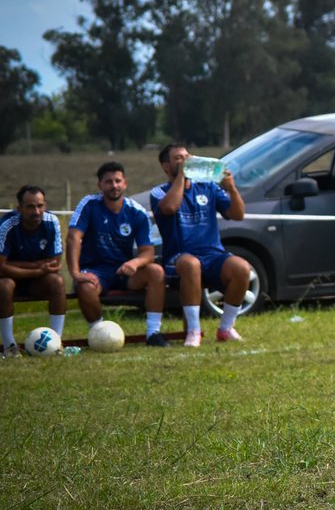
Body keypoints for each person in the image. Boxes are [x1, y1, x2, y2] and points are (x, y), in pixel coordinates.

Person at [150, 143, 252, 346]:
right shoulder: (159, 192)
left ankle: (226, 328)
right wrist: (182, 175)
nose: (185, 161)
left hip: (212, 256)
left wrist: (232, 189)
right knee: (191, 264)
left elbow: (238, 215)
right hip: (178, 258)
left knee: (242, 267)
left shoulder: (208, 187)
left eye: (187, 156)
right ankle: (194, 331)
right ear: (166, 166)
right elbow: (170, 208)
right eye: (178, 158)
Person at [66, 161, 169, 346]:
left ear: (125, 183)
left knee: (156, 271)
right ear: (100, 185)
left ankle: (153, 334)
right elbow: (73, 238)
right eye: (108, 182)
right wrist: (75, 273)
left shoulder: (136, 212)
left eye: (117, 181)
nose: (114, 186)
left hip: (123, 271)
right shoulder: (89, 204)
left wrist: (134, 263)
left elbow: (148, 253)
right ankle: (100, 334)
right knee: (85, 287)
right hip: (95, 270)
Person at [0, 185, 68, 356]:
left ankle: (56, 344)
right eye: (30, 207)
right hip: (11, 280)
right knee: (4, 286)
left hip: (37, 282)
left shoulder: (52, 222)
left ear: (45, 205)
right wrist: (37, 268)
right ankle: (10, 346)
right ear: (19, 208)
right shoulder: (7, 225)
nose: (36, 211)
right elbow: (1, 267)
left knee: (58, 281)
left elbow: (54, 263)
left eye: (40, 206)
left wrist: (16, 265)